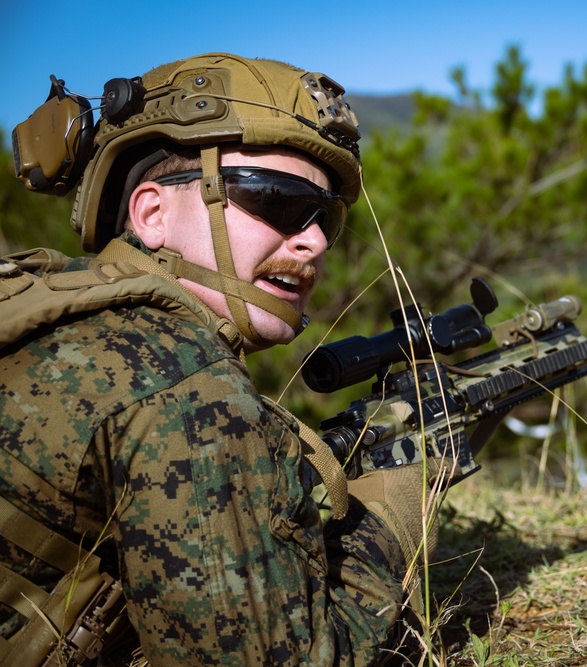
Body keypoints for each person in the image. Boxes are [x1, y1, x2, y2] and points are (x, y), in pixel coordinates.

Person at [0, 52, 442, 666]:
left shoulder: (47, 306)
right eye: (278, 201)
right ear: (152, 213)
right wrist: (390, 521)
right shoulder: (182, 384)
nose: (312, 241)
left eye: (326, 218)